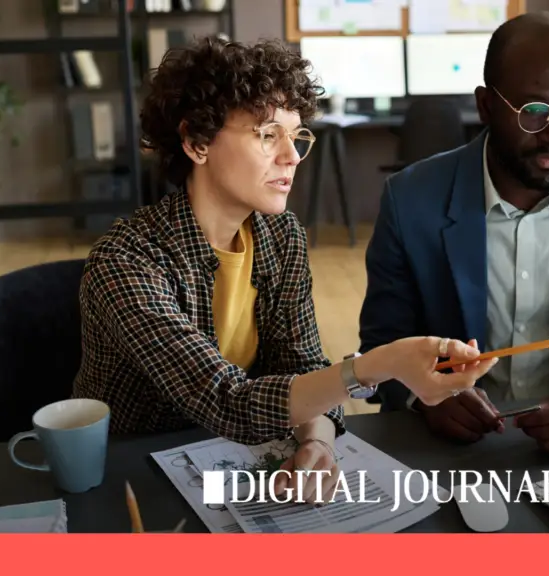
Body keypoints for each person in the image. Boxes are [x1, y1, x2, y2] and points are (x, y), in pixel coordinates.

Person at [72, 36, 498, 501]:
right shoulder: (125, 260)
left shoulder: (280, 236)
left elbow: (302, 365)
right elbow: (226, 399)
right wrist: (383, 363)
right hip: (130, 477)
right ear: (197, 142)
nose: (292, 156)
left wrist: (316, 439)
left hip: (235, 462)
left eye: (296, 136)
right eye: (267, 134)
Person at [358, 13, 549, 460]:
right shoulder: (411, 200)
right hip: (454, 452)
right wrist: (424, 397)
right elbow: (382, 346)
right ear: (487, 107)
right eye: (533, 111)